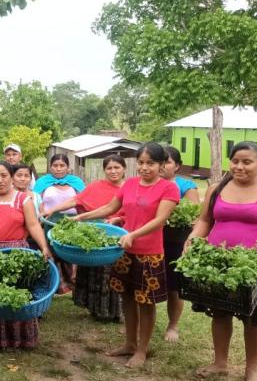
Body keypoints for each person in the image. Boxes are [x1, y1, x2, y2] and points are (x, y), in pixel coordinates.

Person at [186, 142, 257, 381]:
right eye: (235, 161)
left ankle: (251, 370)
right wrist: (192, 240)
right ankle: (220, 363)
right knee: (220, 313)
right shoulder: (216, 189)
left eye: (247, 162)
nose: (240, 166)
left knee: (255, 320)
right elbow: (205, 220)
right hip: (218, 265)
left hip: (254, 267)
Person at [73, 143, 179, 367]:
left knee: (146, 302)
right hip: (124, 250)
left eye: (150, 163)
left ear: (161, 165)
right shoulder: (130, 184)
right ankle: (130, 344)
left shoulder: (168, 188)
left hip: (149, 253)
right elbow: (111, 207)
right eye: (141, 163)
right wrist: (82, 217)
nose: (144, 168)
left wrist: (133, 234)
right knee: (127, 297)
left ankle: (142, 349)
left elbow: (159, 220)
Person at [0, 161, 52, 350]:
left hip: (16, 254)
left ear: (11, 177)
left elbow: (33, 225)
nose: (0, 180)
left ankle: (19, 340)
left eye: (4, 175)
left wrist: (44, 247)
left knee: (16, 296)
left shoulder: (24, 200)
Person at [45, 155, 127, 322]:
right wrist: (53, 210)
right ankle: (94, 308)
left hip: (117, 237)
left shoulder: (129, 188)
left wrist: (117, 219)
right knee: (93, 271)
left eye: (117, 167)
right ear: (104, 170)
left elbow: (131, 212)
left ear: (124, 169)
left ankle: (115, 312)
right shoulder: (96, 186)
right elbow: (76, 200)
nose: (113, 171)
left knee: (112, 273)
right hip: (92, 234)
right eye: (109, 168)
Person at [161, 146, 201, 342]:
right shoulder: (149, 183)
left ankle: (173, 325)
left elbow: (193, 215)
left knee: (173, 287)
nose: (162, 166)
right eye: (159, 161)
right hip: (150, 239)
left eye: (167, 162)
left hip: (175, 241)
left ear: (177, 166)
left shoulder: (186, 186)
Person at [35, 154, 86, 294]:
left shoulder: (76, 182)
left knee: (71, 253)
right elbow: (36, 201)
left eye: (62, 165)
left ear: (68, 168)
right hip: (49, 223)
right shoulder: (43, 182)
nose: (58, 169)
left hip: (72, 224)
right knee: (52, 254)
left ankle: (73, 284)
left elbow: (84, 202)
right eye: (55, 166)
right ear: (50, 167)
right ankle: (54, 286)